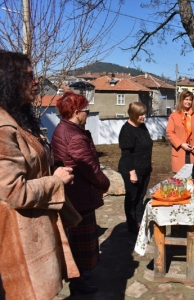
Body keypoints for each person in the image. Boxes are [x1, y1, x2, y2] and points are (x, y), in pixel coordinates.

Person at [0, 50, 79, 299]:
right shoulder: (3, 127)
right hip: (18, 240)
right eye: (28, 76)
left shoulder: (17, 117)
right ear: (7, 79)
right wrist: (56, 181)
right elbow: (13, 191)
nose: (36, 81)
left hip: (32, 234)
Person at [52, 92, 110, 295]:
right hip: (79, 195)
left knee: (76, 240)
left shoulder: (64, 128)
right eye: (86, 110)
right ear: (77, 113)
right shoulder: (74, 135)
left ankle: (78, 275)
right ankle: (77, 282)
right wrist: (105, 183)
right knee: (80, 243)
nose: (88, 114)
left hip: (75, 194)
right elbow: (90, 168)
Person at [118, 102, 153, 234]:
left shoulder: (142, 126)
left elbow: (146, 146)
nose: (144, 116)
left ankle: (140, 221)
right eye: (141, 114)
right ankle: (132, 224)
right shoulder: (126, 130)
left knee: (141, 197)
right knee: (132, 197)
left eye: (144, 114)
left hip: (145, 168)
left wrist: (149, 165)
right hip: (132, 169)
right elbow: (126, 154)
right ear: (133, 114)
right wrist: (132, 173)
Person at [166, 90, 194, 173]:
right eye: (186, 99)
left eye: (190, 100)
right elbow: (170, 132)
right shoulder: (174, 116)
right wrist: (181, 144)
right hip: (180, 151)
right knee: (180, 181)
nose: (188, 102)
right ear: (181, 100)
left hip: (193, 152)